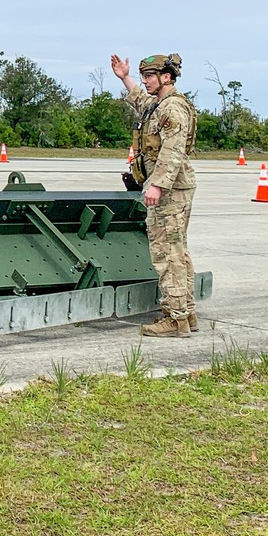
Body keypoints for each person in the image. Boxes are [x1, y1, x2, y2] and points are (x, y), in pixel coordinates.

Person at [111, 52, 198, 338]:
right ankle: (186, 313)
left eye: (150, 76)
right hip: (174, 187)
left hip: (169, 190)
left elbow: (172, 151)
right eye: (144, 76)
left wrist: (157, 185)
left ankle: (176, 319)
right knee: (178, 251)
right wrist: (125, 77)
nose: (146, 81)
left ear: (167, 77)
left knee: (167, 252)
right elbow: (140, 101)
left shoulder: (172, 109)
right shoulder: (160, 104)